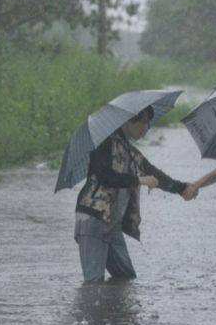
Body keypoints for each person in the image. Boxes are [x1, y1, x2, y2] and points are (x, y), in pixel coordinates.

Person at [74, 106, 196, 283]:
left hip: (111, 222)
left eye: (148, 123)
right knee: (93, 284)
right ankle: (91, 311)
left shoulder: (130, 151)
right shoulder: (105, 143)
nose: (146, 128)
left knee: (125, 278)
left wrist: (182, 188)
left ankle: (116, 311)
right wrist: (138, 180)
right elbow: (104, 176)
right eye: (143, 122)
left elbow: (154, 175)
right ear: (129, 121)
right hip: (92, 220)